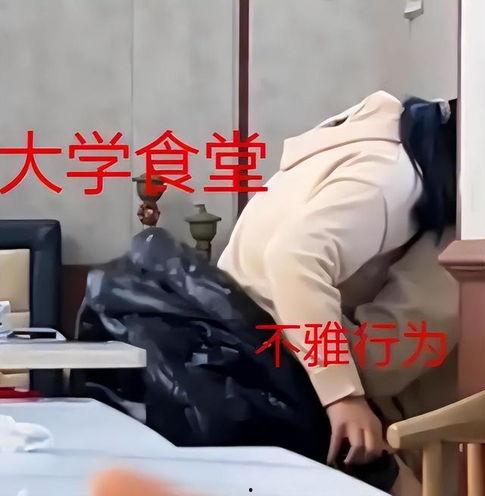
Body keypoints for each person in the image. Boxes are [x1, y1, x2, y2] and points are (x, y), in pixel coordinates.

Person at [127, 91, 457, 495]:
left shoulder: (361, 146)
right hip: (263, 361)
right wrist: (344, 397)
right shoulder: (396, 177)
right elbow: (294, 258)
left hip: (227, 344)